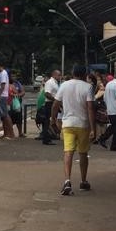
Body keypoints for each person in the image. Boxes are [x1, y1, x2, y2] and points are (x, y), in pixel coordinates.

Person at [51, 65, 95, 196]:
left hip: (68, 123)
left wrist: (53, 119)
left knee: (68, 152)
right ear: (84, 74)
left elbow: (55, 104)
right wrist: (93, 128)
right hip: (83, 124)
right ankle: (83, 181)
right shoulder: (88, 87)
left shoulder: (64, 85)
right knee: (83, 153)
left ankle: (67, 181)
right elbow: (90, 108)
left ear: (72, 73)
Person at [98, 71, 116, 151]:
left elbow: (105, 98)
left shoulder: (109, 84)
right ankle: (114, 146)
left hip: (110, 110)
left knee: (114, 126)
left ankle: (102, 138)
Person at [37, 70, 63, 145]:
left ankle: (48, 137)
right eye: (59, 75)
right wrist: (55, 100)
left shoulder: (55, 83)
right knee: (48, 121)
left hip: (53, 103)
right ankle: (46, 138)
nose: (60, 77)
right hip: (50, 103)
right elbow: (47, 94)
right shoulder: (50, 82)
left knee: (50, 121)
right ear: (54, 75)